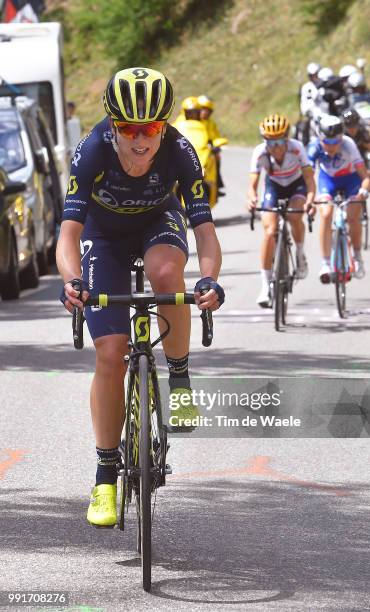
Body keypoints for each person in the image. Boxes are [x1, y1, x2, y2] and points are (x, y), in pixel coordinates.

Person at [56, 67, 224, 527]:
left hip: (157, 223)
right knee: (110, 353)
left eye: (150, 127)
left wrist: (208, 281)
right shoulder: (90, 151)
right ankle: (105, 476)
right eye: (128, 128)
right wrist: (72, 281)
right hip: (102, 234)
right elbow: (67, 235)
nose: (139, 139)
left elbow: (206, 233)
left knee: (168, 274)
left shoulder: (181, 152)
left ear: (163, 126)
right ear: (112, 125)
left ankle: (180, 377)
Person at [247, 114, 316, 307]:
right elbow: (252, 184)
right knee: (269, 231)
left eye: (279, 141)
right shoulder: (260, 152)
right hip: (274, 186)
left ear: (286, 139)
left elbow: (310, 180)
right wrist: (251, 198)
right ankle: (265, 285)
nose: (275, 147)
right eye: (270, 142)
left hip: (297, 185)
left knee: (295, 216)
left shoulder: (297, 148)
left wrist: (310, 200)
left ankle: (300, 254)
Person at [307, 115, 370, 283]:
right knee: (326, 214)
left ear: (341, 138)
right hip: (327, 181)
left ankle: (357, 257)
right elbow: (307, 177)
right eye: (326, 143)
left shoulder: (349, 145)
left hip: (351, 180)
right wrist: (311, 199)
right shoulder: (313, 147)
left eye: (335, 143)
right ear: (320, 138)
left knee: (352, 215)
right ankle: (325, 263)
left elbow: (365, 177)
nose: (330, 147)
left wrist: (363, 191)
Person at [197, 94, 228, 196]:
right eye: (202, 108)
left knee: (217, 157)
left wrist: (216, 146)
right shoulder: (189, 121)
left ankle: (217, 184)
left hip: (206, 151)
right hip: (192, 148)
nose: (204, 112)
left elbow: (216, 137)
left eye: (207, 110)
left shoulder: (211, 123)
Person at [342, 108, 370, 176]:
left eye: (354, 125)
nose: (352, 129)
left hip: (361, 156)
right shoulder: (341, 134)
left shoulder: (363, 131)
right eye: (349, 126)